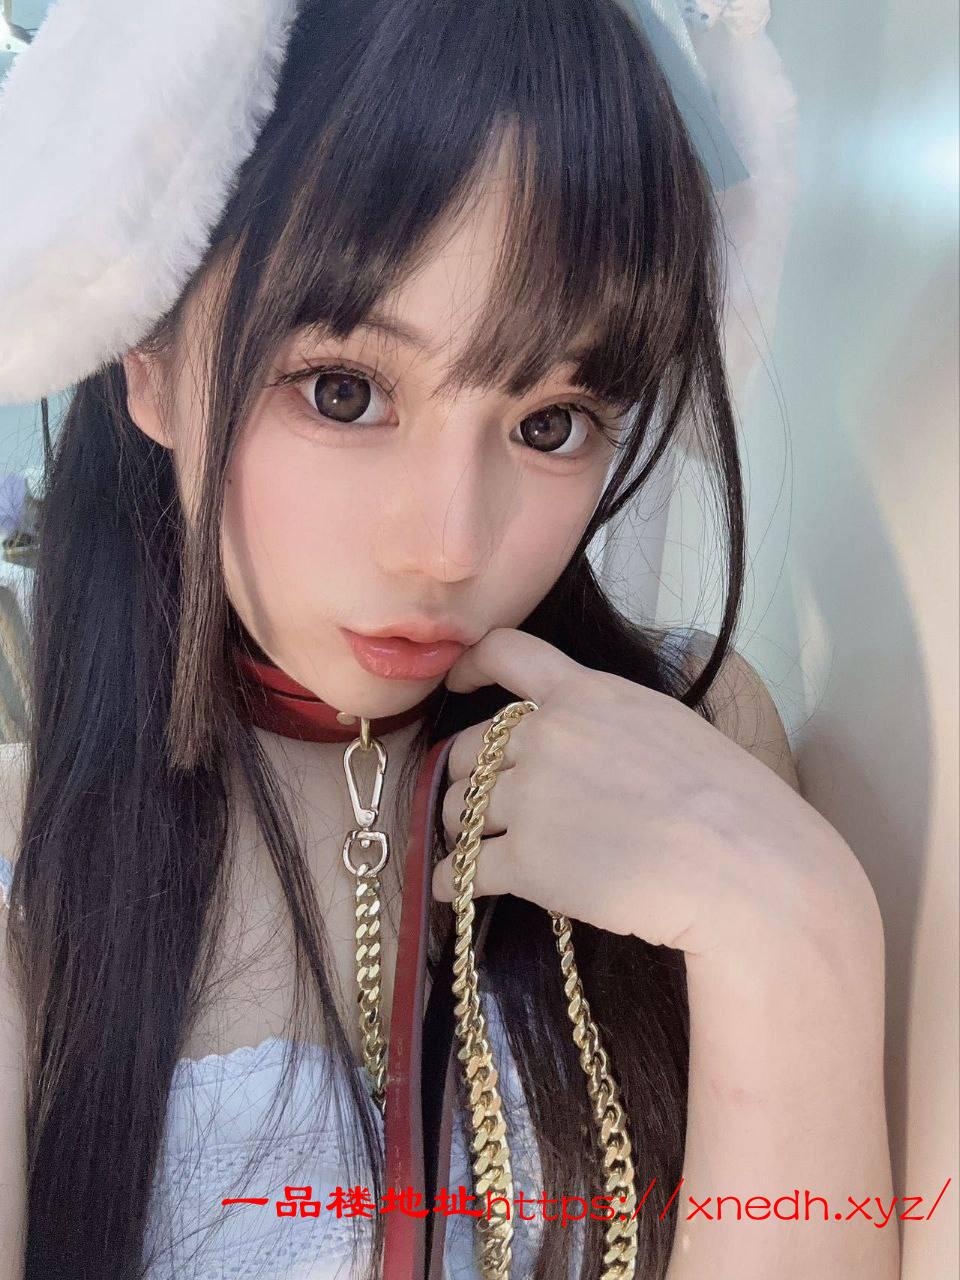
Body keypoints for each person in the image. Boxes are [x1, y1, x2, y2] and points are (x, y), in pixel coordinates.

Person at [0, 1, 897, 1278]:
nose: (450, 545)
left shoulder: (690, 737)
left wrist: (796, 936)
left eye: (552, 420)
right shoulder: (26, 868)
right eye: (344, 391)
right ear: (148, 358)